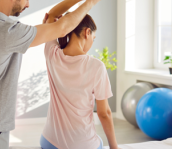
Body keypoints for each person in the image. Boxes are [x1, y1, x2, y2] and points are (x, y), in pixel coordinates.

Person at [0, 0, 106, 149]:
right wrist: (89, 2)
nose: (28, 5)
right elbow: (61, 28)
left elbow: (55, 20)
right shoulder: (5, 32)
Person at [40, 8, 120, 148]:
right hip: (81, 144)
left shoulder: (51, 53)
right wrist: (114, 147)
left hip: (49, 142)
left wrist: (53, 23)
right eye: (93, 39)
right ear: (87, 32)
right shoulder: (96, 66)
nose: (92, 43)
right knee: (98, 142)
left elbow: (50, 18)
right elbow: (104, 113)